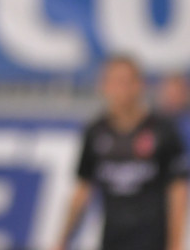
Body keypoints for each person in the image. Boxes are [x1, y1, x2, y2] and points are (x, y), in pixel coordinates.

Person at [53, 56, 189, 250]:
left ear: (139, 85)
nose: (119, 90)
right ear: (103, 86)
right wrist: (62, 239)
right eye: (113, 82)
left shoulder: (163, 131)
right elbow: (83, 189)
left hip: (153, 241)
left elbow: (178, 190)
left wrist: (176, 244)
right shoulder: (96, 132)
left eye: (125, 82)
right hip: (112, 240)